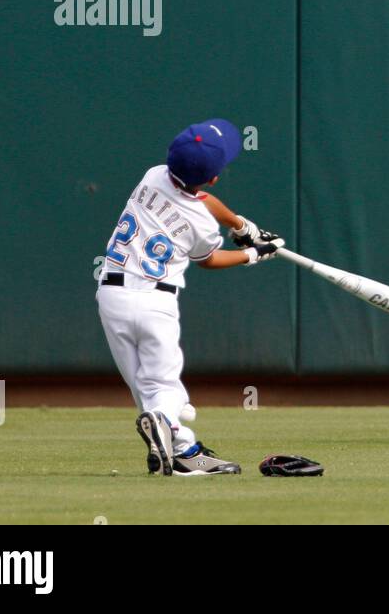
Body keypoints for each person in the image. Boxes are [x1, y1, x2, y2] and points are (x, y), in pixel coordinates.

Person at [95, 119, 283, 474]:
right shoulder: (200, 223)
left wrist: (242, 227)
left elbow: (201, 198)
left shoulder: (153, 175)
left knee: (144, 386)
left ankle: (182, 450)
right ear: (213, 177)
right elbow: (210, 259)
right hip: (154, 302)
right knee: (165, 387)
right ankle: (168, 429)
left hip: (112, 295)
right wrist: (253, 254)